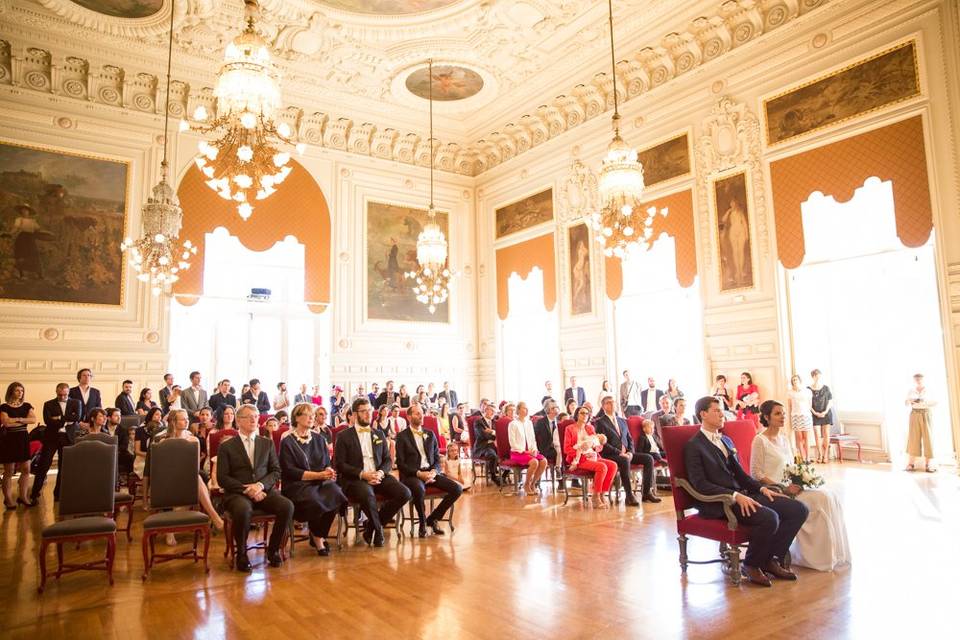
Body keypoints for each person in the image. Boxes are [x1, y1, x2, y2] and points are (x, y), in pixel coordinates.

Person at [684, 396, 808, 587]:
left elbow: (742, 475)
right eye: (717, 410)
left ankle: (770, 559)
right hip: (720, 502)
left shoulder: (725, 439)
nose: (722, 414)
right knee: (770, 517)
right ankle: (750, 564)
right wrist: (734, 496)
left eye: (722, 410)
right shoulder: (694, 446)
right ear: (703, 414)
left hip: (744, 495)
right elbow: (700, 484)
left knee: (798, 509)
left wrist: (762, 488)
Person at [751, 400, 851, 571]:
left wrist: (802, 479)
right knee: (821, 499)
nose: (783, 416)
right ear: (766, 417)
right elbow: (756, 473)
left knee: (829, 495)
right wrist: (781, 487)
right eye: (777, 413)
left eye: (783, 413)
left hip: (792, 485)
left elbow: (792, 466)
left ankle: (831, 554)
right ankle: (815, 558)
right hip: (776, 490)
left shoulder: (784, 438)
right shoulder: (760, 440)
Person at [216, 404, 294, 571]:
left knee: (287, 506)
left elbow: (276, 471)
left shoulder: (266, 443)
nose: (253, 419)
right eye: (248, 416)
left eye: (256, 416)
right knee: (243, 510)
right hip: (238, 493)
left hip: (264, 490)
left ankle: (273, 550)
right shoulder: (227, 446)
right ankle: (242, 555)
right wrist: (247, 490)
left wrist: (259, 486)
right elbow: (222, 478)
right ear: (238, 421)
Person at [334, 397, 411, 547]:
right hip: (355, 478)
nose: (368, 414)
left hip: (378, 475)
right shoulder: (343, 436)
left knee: (404, 493)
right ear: (355, 414)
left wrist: (381, 473)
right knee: (367, 494)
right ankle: (378, 530)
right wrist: (363, 474)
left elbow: (388, 460)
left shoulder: (379, 434)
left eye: (369, 410)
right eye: (363, 411)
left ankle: (370, 527)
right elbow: (340, 464)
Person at [279, 403, 346, 556]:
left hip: (320, 481)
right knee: (315, 500)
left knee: (337, 494)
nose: (311, 418)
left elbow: (326, 463)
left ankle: (317, 534)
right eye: (307, 415)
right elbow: (290, 471)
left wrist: (328, 470)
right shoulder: (287, 441)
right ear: (296, 417)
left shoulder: (319, 439)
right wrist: (318, 475)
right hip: (297, 485)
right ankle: (318, 539)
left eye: (312, 415)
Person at [396, 404, 463, 536]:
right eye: (417, 413)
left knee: (457, 489)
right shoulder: (402, 437)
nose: (421, 416)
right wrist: (419, 473)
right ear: (409, 417)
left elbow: (437, 459)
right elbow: (401, 464)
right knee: (419, 489)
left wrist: (434, 471)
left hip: (430, 472)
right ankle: (422, 523)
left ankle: (432, 518)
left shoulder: (430, 434)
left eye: (421, 412)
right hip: (412, 475)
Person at [156, 409, 224, 533]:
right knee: (194, 480)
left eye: (187, 418)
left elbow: (195, 466)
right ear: (174, 422)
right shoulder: (163, 441)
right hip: (168, 479)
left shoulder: (193, 440)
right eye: (183, 419)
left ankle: (171, 531)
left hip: (188, 476)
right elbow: (162, 468)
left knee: (195, 478)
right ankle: (214, 517)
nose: (187, 421)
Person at [595, 394, 656, 505]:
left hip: (626, 453)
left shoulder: (622, 420)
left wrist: (630, 452)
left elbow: (629, 438)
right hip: (611, 454)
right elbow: (603, 443)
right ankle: (629, 496)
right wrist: (619, 453)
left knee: (649, 458)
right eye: (609, 402)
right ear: (603, 406)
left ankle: (647, 492)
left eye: (613, 402)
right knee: (624, 460)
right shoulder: (600, 422)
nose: (612, 404)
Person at [30, 383, 81, 503]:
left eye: (65, 395)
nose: (62, 397)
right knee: (43, 466)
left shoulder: (76, 402)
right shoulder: (48, 404)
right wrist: (66, 420)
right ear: (56, 392)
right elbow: (48, 421)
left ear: (68, 393)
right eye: (60, 395)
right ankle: (34, 494)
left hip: (68, 437)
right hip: (52, 438)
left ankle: (58, 494)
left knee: (63, 467)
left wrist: (58, 418)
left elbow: (77, 417)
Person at [563, 406, 616, 508]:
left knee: (613, 465)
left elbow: (599, 445)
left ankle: (602, 494)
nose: (585, 415)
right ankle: (595, 497)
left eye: (587, 413)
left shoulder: (590, 428)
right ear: (577, 414)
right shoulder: (569, 429)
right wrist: (582, 453)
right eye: (582, 413)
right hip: (579, 458)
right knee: (602, 467)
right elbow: (566, 449)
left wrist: (593, 448)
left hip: (593, 456)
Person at [1, 382, 37, 509]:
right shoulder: (4, 407)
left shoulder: (27, 406)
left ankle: (23, 496)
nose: (20, 393)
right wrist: (22, 420)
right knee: (9, 471)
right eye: (17, 390)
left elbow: (33, 420)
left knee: (26, 469)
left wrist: (17, 419)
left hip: (23, 438)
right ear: (11, 391)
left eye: (21, 390)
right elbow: (6, 423)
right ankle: (8, 499)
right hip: (9, 439)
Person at [507, 402, 547, 495]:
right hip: (518, 452)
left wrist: (534, 450)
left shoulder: (529, 423)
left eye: (527, 408)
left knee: (544, 461)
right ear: (518, 410)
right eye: (524, 408)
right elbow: (512, 443)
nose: (527, 410)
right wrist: (525, 451)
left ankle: (533, 484)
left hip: (530, 451)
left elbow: (533, 439)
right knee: (534, 462)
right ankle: (526, 484)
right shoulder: (513, 424)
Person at [905, 373, 936, 472]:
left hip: (926, 413)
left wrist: (924, 402)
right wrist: (910, 401)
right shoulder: (911, 390)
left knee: (928, 439)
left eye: (920, 378)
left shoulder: (929, 390)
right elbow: (906, 403)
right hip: (914, 414)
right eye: (916, 378)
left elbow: (935, 402)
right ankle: (911, 464)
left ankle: (928, 465)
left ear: (923, 379)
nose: (918, 380)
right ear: (914, 379)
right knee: (913, 438)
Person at [808, 369, 834, 464]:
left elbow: (830, 401)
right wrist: (815, 413)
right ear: (813, 377)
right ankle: (819, 454)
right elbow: (808, 403)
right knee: (817, 435)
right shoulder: (808, 389)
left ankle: (826, 454)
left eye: (819, 375)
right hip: (814, 414)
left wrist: (825, 411)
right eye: (815, 375)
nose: (817, 377)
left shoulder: (826, 388)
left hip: (826, 414)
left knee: (826, 434)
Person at [787, 374, 814, 462]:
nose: (795, 381)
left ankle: (808, 458)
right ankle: (802, 457)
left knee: (806, 438)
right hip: (795, 416)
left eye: (796, 379)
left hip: (806, 416)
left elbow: (810, 404)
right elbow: (790, 405)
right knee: (799, 438)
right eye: (793, 380)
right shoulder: (790, 393)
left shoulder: (807, 391)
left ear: (800, 381)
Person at [472, 404, 500, 486]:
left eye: (494, 411)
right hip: (483, 446)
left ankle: (504, 476)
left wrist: (492, 431)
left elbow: (500, 434)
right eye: (491, 411)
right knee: (492, 456)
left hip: (495, 445)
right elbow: (483, 436)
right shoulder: (478, 422)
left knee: (508, 454)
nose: (493, 413)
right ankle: (494, 476)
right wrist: (494, 435)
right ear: (486, 411)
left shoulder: (495, 422)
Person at [134, 407, 164, 478]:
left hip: (157, 459)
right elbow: (137, 451)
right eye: (157, 414)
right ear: (151, 415)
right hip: (142, 460)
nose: (159, 417)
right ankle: (147, 488)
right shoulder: (139, 430)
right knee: (148, 467)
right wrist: (149, 456)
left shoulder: (162, 431)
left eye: (160, 415)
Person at [103, 408, 133, 474]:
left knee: (130, 457)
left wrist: (114, 451)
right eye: (116, 416)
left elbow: (124, 445)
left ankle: (125, 479)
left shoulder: (123, 430)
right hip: (104, 452)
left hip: (119, 452)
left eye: (120, 416)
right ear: (109, 418)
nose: (119, 418)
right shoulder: (103, 429)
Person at [533, 400, 561, 469]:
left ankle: (562, 474)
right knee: (560, 453)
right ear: (548, 410)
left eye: (557, 407)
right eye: (553, 408)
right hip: (545, 449)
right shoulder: (541, 422)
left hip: (557, 447)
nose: (556, 410)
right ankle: (559, 470)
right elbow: (534, 436)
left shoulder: (560, 421)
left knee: (564, 452)